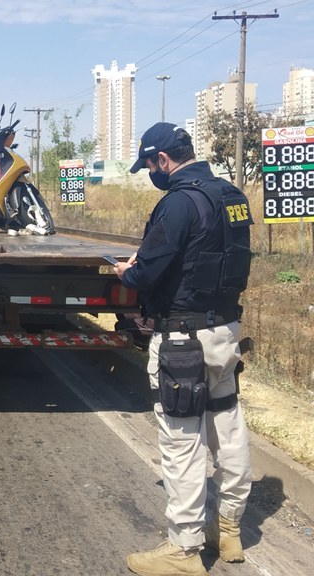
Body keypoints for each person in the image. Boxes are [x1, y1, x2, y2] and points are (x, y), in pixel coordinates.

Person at [114, 122, 253, 576]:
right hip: (225, 332)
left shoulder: (177, 203)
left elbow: (148, 272)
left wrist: (126, 272)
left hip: (183, 341)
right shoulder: (232, 197)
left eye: (150, 164)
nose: (151, 172)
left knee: (183, 441)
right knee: (227, 424)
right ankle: (228, 530)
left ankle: (184, 548)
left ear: (162, 159)